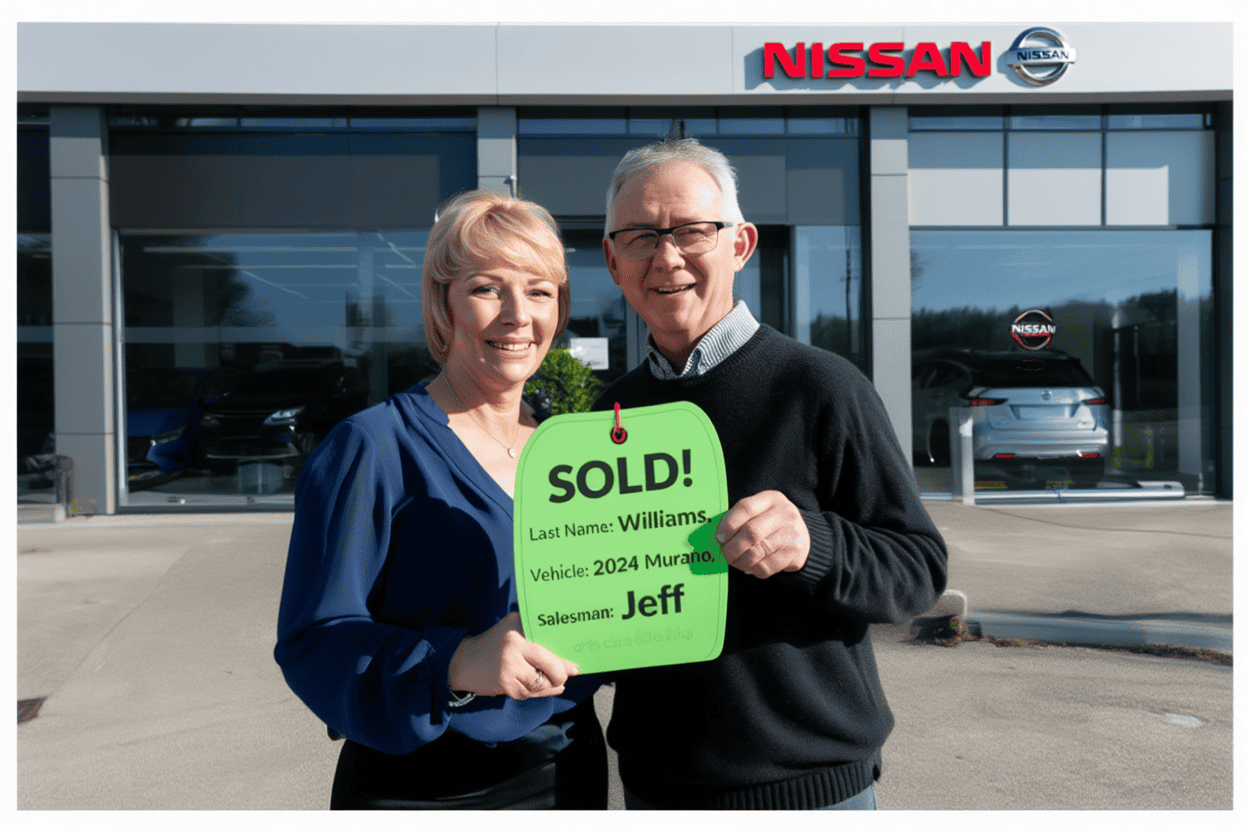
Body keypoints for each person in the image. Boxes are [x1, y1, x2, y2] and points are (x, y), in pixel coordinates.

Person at [594, 138, 948, 810]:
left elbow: (919, 568)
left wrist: (814, 546)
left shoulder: (820, 388)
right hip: (656, 785)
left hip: (809, 792)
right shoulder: (609, 413)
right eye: (640, 237)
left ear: (740, 244)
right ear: (613, 260)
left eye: (692, 231)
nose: (666, 257)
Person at [275, 190, 607, 810]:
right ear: (442, 304)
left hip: (567, 768)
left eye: (539, 292)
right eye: (487, 289)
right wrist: (455, 662)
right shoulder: (372, 447)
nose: (518, 315)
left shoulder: (572, 451)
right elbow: (313, 642)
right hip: (421, 785)